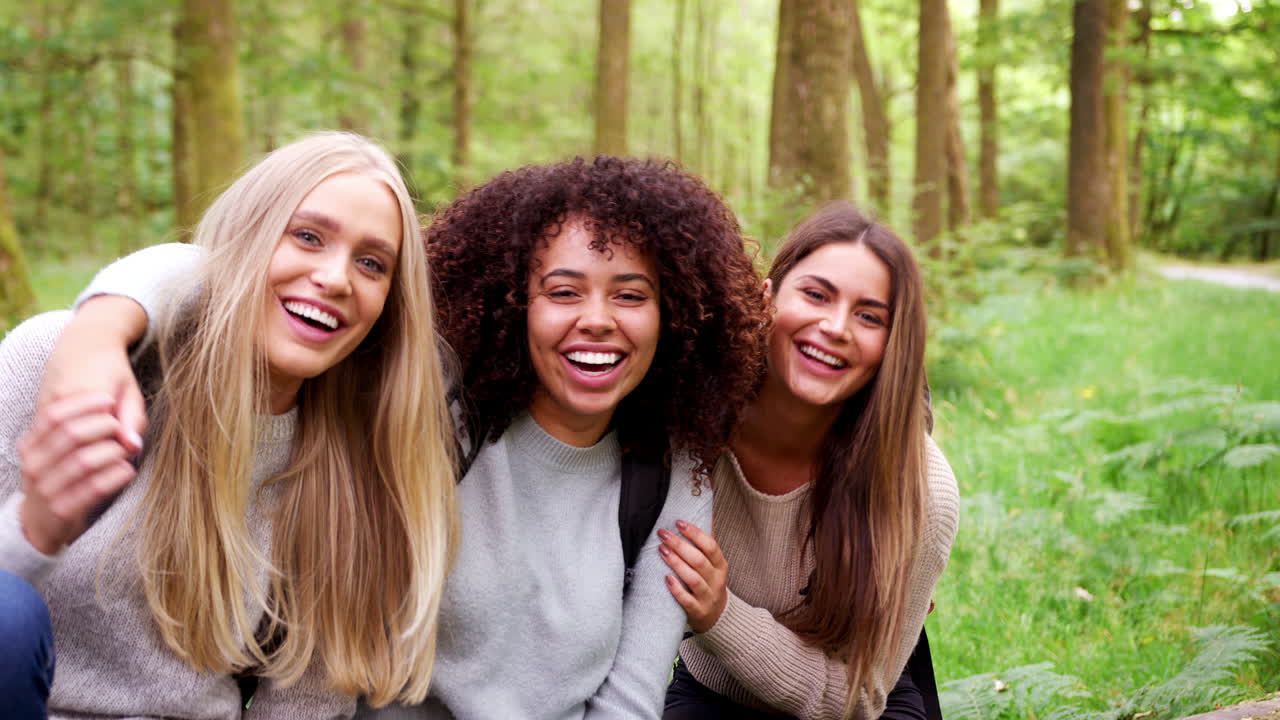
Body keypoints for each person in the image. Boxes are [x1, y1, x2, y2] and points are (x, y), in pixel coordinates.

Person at [33, 155, 769, 719]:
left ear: (680, 316)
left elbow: (632, 699)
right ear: (512, 301)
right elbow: (220, 274)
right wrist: (105, 320)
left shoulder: (672, 471)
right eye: (564, 291)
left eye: (632, 296)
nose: (598, 320)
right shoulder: (433, 418)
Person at [0, 132, 458, 718]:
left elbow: (307, 704)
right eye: (307, 236)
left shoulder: (353, 463)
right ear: (246, 239)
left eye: (372, 264)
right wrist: (36, 532)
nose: (336, 278)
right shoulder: (62, 361)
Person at [656, 204, 961, 720]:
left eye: (869, 316)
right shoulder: (689, 427)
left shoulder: (921, 488)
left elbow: (858, 694)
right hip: (716, 688)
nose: (835, 326)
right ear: (766, 297)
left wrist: (721, 614)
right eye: (816, 295)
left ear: (892, 345)